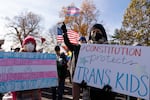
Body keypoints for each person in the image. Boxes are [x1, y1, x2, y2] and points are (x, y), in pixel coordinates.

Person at [61, 23, 87, 100]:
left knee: (86, 96)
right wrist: (65, 33)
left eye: (83, 40)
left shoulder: (89, 50)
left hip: (86, 76)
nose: (82, 41)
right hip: (76, 75)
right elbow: (67, 43)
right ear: (78, 42)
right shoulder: (75, 48)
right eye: (81, 40)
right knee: (75, 97)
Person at [12, 36, 41, 100]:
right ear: (23, 45)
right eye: (28, 43)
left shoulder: (39, 58)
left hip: (35, 92)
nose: (30, 45)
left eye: (32, 43)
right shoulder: (17, 58)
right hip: (22, 92)